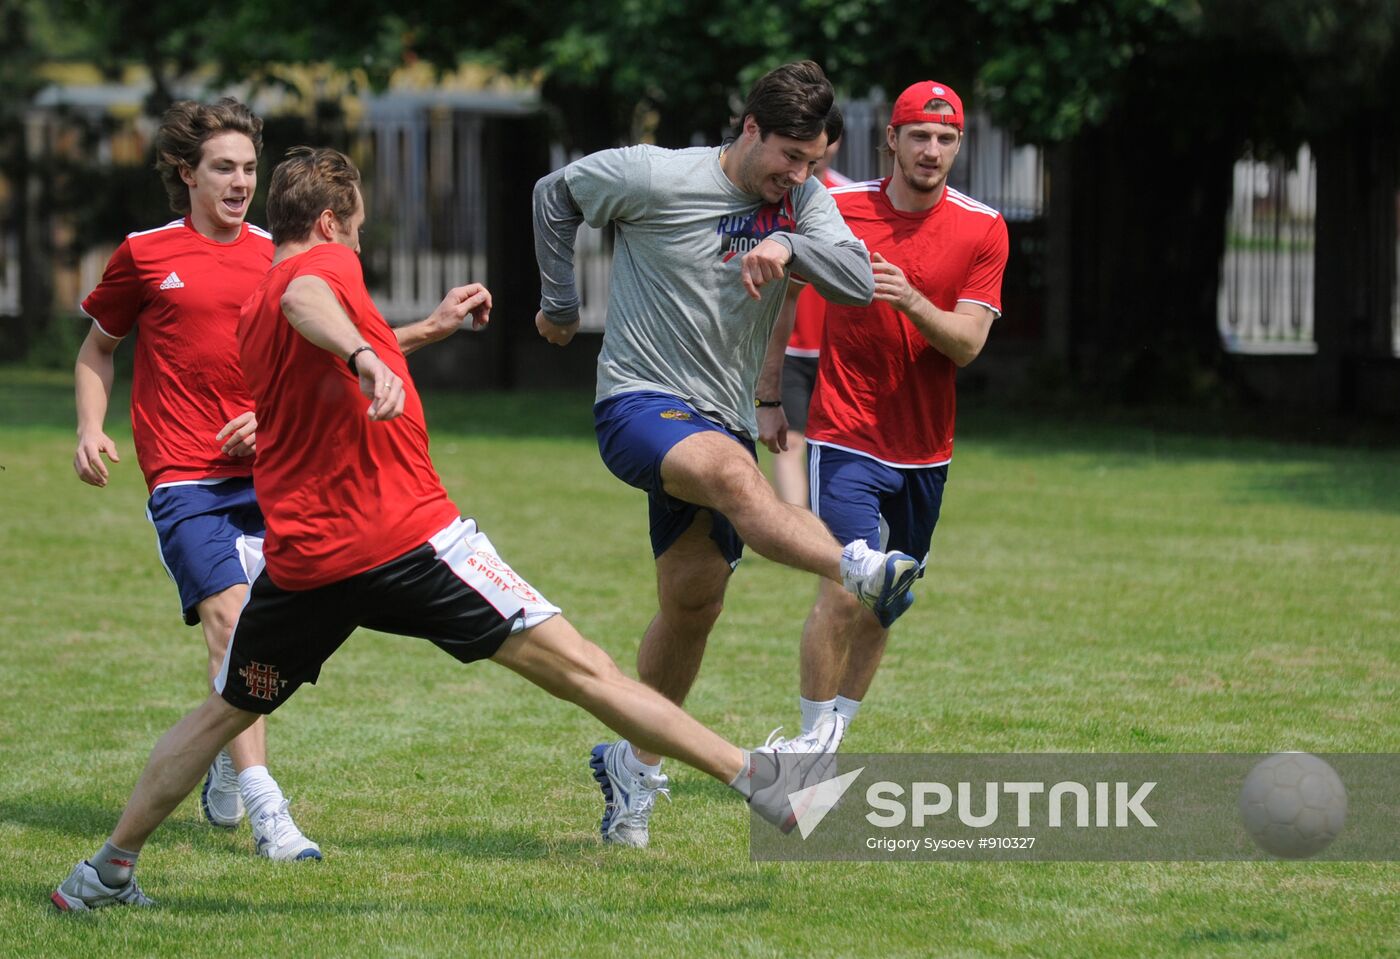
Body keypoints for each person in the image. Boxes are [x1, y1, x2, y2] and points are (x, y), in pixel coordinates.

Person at [51, 147, 831, 913]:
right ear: (329, 221)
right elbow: (312, 303)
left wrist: (403, 338)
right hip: (413, 543)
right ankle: (758, 782)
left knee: (223, 709)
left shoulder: (258, 298)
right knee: (590, 672)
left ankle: (105, 870)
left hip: (310, 565)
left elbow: (311, 337)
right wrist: (361, 350)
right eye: (356, 230)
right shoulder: (313, 275)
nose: (359, 245)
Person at [531, 60, 919, 849]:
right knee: (735, 475)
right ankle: (860, 567)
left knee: (693, 603)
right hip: (637, 401)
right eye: (789, 157)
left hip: (720, 415)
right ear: (750, 130)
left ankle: (630, 767)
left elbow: (854, 279)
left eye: (813, 161)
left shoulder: (803, 201)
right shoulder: (654, 174)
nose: (801, 176)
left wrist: (789, 250)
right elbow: (554, 195)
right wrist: (561, 302)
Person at [72, 99, 471, 862]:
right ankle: (268, 809)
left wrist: (426, 328)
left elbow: (348, 349)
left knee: (262, 631)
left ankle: (226, 751)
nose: (240, 182)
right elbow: (97, 351)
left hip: (276, 474)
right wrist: (91, 427)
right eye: (223, 167)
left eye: (250, 168)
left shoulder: (278, 255)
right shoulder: (145, 253)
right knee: (229, 612)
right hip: (187, 477)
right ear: (186, 173)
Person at [796, 81, 1009, 744]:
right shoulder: (835, 207)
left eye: (946, 139)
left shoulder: (983, 227)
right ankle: (807, 749)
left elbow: (969, 343)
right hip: (844, 431)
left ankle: (834, 734)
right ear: (891, 139)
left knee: (883, 605)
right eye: (920, 134)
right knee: (841, 588)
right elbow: (785, 292)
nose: (932, 149)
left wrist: (910, 299)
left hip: (925, 449)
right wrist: (770, 392)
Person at [771, 140, 850, 508]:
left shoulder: (846, 198)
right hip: (788, 346)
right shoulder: (773, 197)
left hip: (838, 349)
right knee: (790, 442)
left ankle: (826, 535)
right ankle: (800, 532)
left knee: (839, 449)